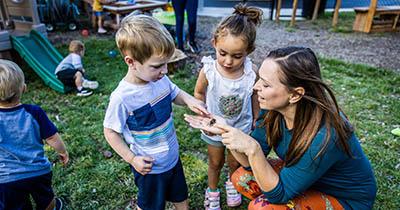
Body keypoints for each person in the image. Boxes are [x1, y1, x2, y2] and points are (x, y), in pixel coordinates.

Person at [185, 46, 377, 210]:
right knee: (242, 178)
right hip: (310, 180)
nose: (256, 87)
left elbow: (278, 195)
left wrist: (253, 149)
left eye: (266, 84)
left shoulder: (326, 134)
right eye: (259, 79)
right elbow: (248, 165)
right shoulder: (272, 109)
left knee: (263, 207)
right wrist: (226, 131)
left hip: (345, 199)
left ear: (295, 95)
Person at [103, 14, 208, 210]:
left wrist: (190, 100)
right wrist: (132, 159)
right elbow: (110, 132)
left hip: (172, 159)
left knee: (181, 197)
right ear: (131, 62)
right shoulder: (122, 97)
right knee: (151, 205)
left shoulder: (160, 80)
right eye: (157, 66)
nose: (165, 70)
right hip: (149, 169)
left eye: (166, 63)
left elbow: (174, 92)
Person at [193, 3, 262, 209]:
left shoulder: (251, 73)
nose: (228, 61)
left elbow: (255, 98)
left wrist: (257, 119)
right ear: (214, 43)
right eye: (223, 53)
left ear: (248, 51)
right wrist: (203, 114)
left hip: (240, 128)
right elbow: (199, 92)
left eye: (237, 56)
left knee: (235, 162)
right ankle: (212, 191)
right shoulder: (209, 70)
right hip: (215, 128)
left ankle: (232, 183)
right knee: (215, 162)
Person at [0, 59, 69, 210]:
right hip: (38, 171)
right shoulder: (34, 112)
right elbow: (51, 137)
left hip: (6, 178)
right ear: (24, 88)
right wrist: (62, 151)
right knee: (46, 198)